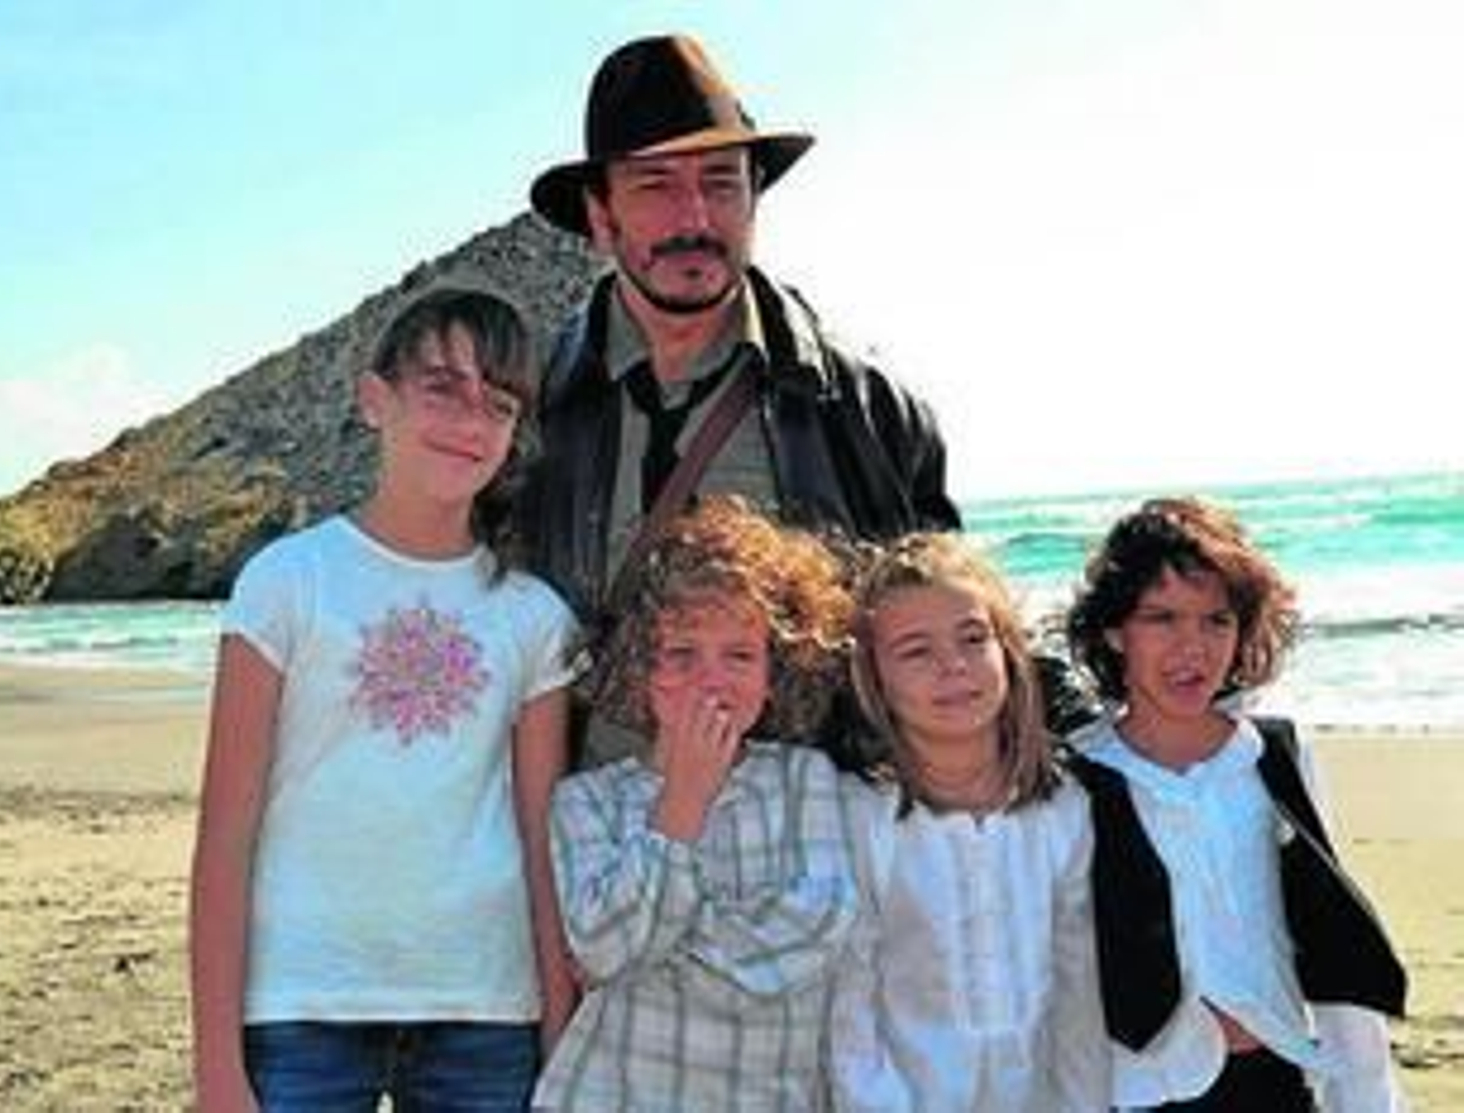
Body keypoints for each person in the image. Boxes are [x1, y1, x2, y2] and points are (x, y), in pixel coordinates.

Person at [520, 33, 975, 764]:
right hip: (591, 847)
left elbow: (951, 621)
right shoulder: (523, 412)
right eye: (655, 184)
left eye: (721, 182)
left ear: (754, 200)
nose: (694, 217)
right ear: (601, 217)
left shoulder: (867, 411)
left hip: (813, 849)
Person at [188, 287, 579, 1112]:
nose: (471, 417)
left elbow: (541, 842)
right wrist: (216, 1065)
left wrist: (559, 1029)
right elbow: (225, 835)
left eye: (498, 400)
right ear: (375, 399)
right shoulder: (288, 582)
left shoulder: (534, 617)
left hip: (484, 1008)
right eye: (442, 386)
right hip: (300, 1006)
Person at [1064, 496, 1408, 1111]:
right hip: (1140, 1089)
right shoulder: (1073, 776)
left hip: (1278, 1075)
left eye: (1216, 621)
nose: (1192, 646)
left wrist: (1367, 1096)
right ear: (1115, 631)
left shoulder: (1273, 756)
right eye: (1162, 618)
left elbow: (1328, 928)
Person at [532, 496, 859, 1111]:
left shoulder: (803, 780)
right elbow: (602, 948)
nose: (712, 677)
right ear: (638, 667)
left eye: (739, 655)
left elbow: (813, 934)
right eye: (682, 654)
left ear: (774, 671)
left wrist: (652, 957)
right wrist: (682, 800)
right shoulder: (587, 801)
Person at [829, 532, 1109, 1111]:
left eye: (972, 638)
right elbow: (847, 1012)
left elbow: (1079, 994)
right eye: (915, 651)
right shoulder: (858, 817)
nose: (953, 666)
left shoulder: (1063, 810)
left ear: (1008, 650)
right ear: (873, 677)